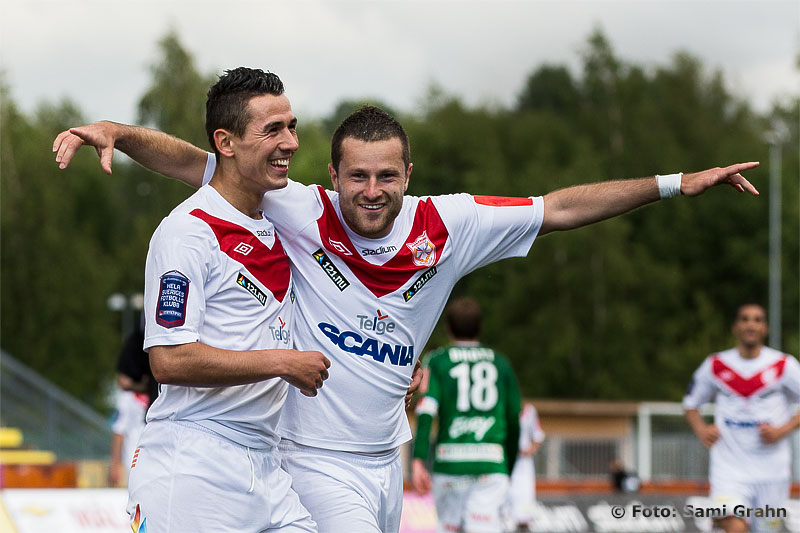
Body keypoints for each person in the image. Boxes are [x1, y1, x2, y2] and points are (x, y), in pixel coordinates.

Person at [53, 81, 759, 532]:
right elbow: (195, 161)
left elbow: (562, 207)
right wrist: (115, 130)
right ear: (330, 176)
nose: (370, 189)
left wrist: (676, 182)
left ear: (409, 176)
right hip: (302, 457)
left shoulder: (451, 224)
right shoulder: (295, 207)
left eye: (387, 175)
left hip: (384, 459)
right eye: (355, 175)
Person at [124, 68, 331, 532]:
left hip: (266, 465)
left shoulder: (280, 219)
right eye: (272, 129)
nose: (291, 142)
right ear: (226, 142)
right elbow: (170, 361)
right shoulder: (187, 232)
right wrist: (282, 362)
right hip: (194, 463)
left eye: (292, 126)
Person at [683, 302, 800, 533]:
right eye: (745, 319)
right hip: (729, 469)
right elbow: (690, 404)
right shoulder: (715, 365)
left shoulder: (784, 365)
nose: (751, 325)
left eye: (757, 320)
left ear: (765, 328)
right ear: (735, 327)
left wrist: (781, 430)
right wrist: (702, 430)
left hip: (772, 472)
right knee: (734, 525)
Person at [411, 296, 522, 533]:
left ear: (448, 328)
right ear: (480, 327)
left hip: (450, 462)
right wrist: (508, 464)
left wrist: (419, 458)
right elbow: (514, 418)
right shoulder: (500, 363)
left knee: (448, 528)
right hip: (491, 462)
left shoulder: (438, 360)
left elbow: (426, 411)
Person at [508, 401, 545, 532]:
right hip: (505, 461)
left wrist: (530, 449)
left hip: (523, 463)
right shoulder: (499, 406)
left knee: (524, 496)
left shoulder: (529, 410)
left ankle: (524, 523)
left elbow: (538, 435)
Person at [108, 387, 148, 487]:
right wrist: (115, 464)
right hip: (133, 458)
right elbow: (119, 430)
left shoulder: (160, 392)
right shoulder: (127, 397)